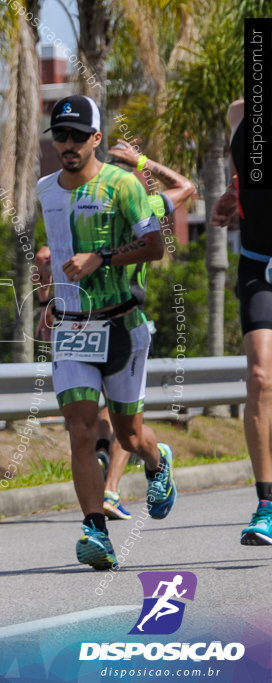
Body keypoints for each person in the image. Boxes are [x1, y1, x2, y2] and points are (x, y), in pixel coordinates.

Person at [36, 95, 176, 571]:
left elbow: (155, 245)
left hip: (121, 325)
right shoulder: (45, 189)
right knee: (79, 429)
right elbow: (55, 253)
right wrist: (50, 300)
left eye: (79, 135)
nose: (69, 144)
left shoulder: (123, 185)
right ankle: (95, 530)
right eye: (61, 135)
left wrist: (103, 258)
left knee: (129, 435)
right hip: (72, 327)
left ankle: (156, 463)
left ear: (97, 138)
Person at [212, 98, 272, 545]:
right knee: (259, 376)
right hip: (258, 264)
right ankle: (266, 506)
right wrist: (235, 193)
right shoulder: (240, 115)